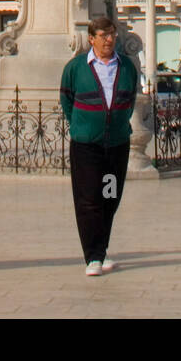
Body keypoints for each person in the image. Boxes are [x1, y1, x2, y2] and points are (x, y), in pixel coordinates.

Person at [60, 16, 138, 277]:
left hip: (116, 144)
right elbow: (67, 99)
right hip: (86, 146)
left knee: (109, 196)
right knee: (88, 199)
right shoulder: (76, 68)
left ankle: (101, 250)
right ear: (91, 39)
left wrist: (116, 121)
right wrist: (81, 125)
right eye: (104, 35)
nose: (110, 39)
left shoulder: (126, 66)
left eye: (112, 34)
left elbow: (130, 99)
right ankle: (92, 256)